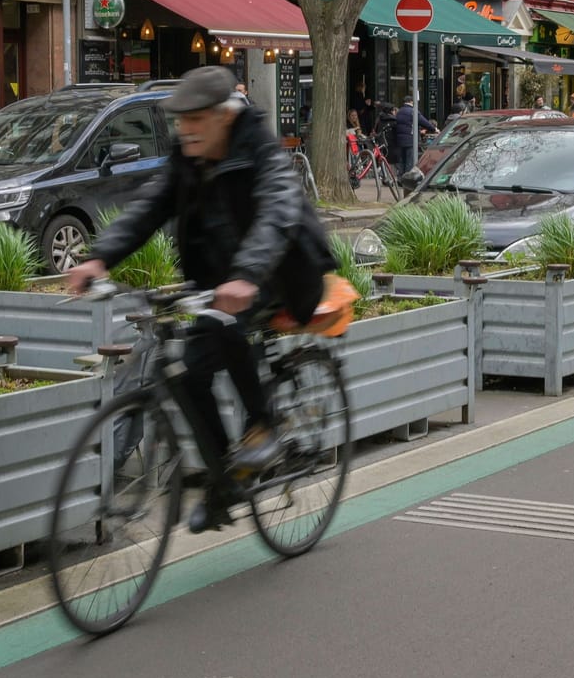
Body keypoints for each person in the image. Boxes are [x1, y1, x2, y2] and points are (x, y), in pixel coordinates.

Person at [67, 67, 335, 534]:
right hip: (217, 280)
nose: (184, 129)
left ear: (224, 116)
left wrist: (247, 276)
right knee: (189, 373)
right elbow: (150, 205)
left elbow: (276, 213)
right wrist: (99, 258)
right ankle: (224, 480)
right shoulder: (188, 157)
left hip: (279, 271)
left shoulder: (260, 151)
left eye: (195, 120)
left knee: (220, 328)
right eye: (180, 121)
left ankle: (264, 425)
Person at [391, 100, 437, 171]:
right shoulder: (413, 111)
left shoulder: (399, 112)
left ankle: (400, 177)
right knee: (410, 161)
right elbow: (424, 122)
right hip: (410, 139)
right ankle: (408, 178)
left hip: (400, 140)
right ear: (411, 102)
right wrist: (434, 129)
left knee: (402, 160)